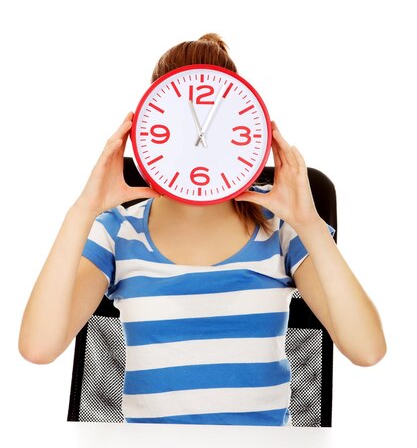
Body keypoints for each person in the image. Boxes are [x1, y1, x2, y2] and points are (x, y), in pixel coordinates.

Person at [18, 33, 386, 427]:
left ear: (240, 128)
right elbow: (39, 347)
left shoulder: (280, 230)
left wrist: (309, 223)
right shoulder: (118, 231)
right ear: (150, 128)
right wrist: (83, 209)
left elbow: (367, 350)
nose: (198, 144)